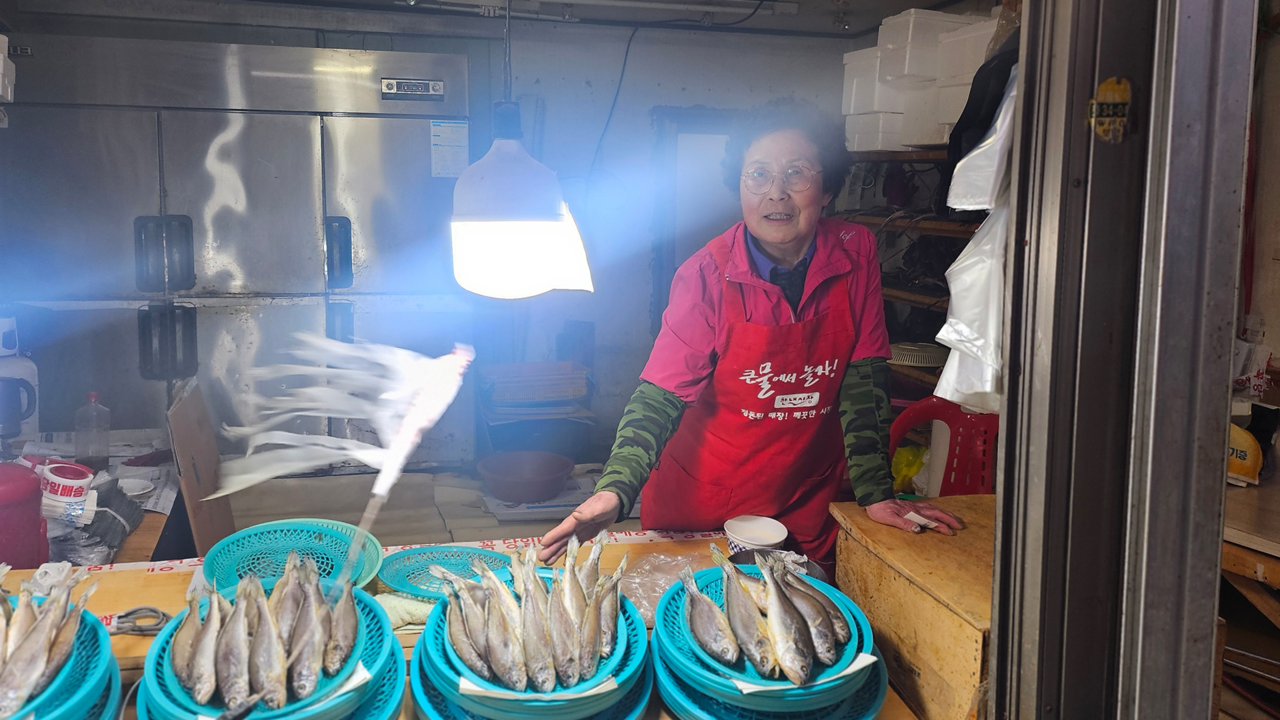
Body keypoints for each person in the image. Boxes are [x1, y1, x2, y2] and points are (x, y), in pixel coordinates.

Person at [539, 99, 962, 572]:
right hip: (705, 500)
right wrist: (614, 490)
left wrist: (877, 493)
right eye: (757, 174)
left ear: (826, 189)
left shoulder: (855, 252)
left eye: (796, 173)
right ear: (738, 187)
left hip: (804, 498)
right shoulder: (705, 273)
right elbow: (660, 395)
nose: (776, 193)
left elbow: (863, 383)